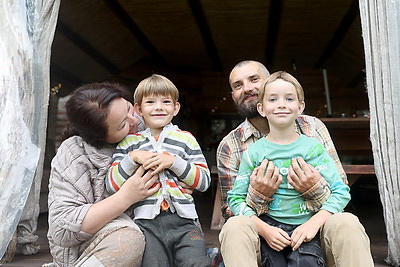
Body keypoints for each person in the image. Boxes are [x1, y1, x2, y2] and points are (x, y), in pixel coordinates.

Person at [217, 60, 374, 267]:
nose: (247, 88)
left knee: (347, 222)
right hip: (265, 235)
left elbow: (341, 187)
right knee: (235, 226)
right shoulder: (231, 146)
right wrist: (259, 196)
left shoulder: (312, 129)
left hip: (313, 229)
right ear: (261, 106)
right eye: (238, 85)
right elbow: (230, 207)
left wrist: (313, 190)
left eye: (254, 79)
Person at [47, 82, 160, 266]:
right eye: (123, 124)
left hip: (154, 232)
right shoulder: (74, 153)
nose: (135, 121)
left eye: (129, 108)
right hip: (98, 244)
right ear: (98, 137)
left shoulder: (148, 126)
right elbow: (62, 229)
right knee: (127, 241)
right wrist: (125, 197)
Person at [105, 74, 212, 267]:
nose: (159, 107)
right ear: (139, 109)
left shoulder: (186, 139)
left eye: (166, 102)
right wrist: (132, 158)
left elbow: (204, 181)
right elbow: (112, 184)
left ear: (176, 108)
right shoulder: (130, 143)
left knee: (197, 262)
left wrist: (173, 162)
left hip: (184, 221)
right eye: (151, 102)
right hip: (147, 224)